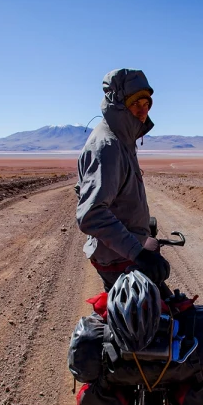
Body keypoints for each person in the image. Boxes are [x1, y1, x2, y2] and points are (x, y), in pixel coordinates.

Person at [76, 68, 171, 290]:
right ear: (118, 103)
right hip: (121, 260)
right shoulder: (108, 146)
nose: (143, 111)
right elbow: (91, 213)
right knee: (155, 320)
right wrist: (138, 253)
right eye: (136, 103)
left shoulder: (122, 139)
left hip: (122, 254)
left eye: (147, 104)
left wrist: (136, 223)